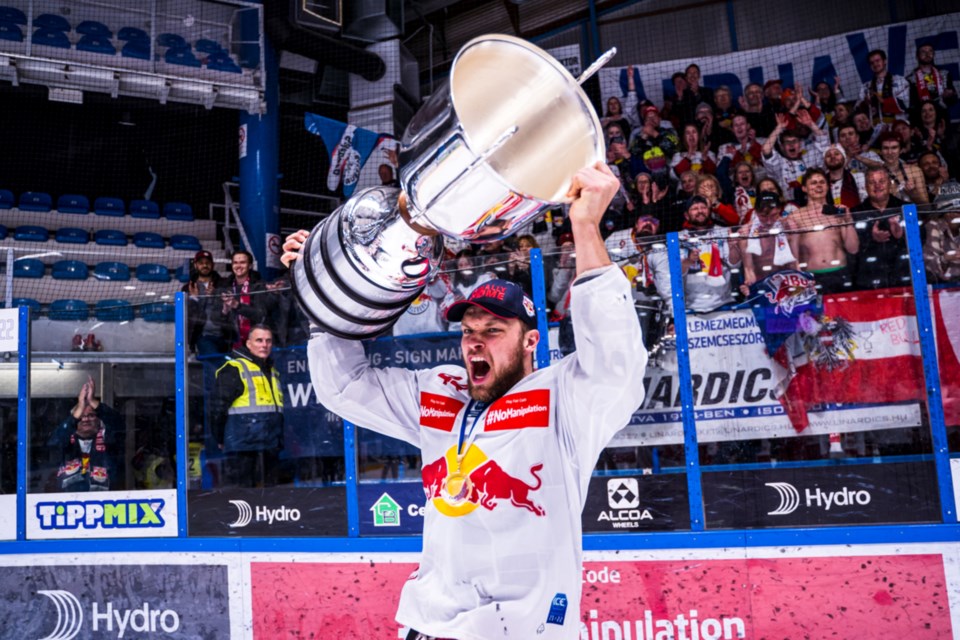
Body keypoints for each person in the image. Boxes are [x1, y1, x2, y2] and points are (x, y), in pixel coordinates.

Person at [283, 162, 647, 640]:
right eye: (469, 331)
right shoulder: (441, 391)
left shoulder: (565, 400)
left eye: (494, 331)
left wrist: (584, 226)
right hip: (426, 625)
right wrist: (323, 292)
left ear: (531, 342)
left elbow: (616, 362)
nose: (475, 342)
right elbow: (344, 385)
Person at [211, 325, 284, 488]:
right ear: (248, 344)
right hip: (243, 446)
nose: (264, 345)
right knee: (243, 497)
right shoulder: (234, 369)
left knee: (272, 500)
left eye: (268, 341)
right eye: (259, 340)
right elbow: (217, 407)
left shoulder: (272, 371)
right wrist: (220, 437)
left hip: (269, 445)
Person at [786, 168, 859, 293]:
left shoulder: (838, 212)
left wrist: (848, 221)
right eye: (813, 183)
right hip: (810, 278)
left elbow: (853, 249)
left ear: (828, 186)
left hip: (840, 274)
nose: (818, 185)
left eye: (822, 182)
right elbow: (792, 255)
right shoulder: (795, 217)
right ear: (804, 188)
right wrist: (798, 277)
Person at [50, 376, 123, 492]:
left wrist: (92, 402)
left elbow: (118, 423)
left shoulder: (108, 439)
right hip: (68, 504)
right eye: (81, 416)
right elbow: (54, 442)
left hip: (105, 502)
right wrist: (79, 407)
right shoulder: (66, 441)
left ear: (99, 420)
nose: (86, 419)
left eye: (91, 415)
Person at [851, 167, 909, 290]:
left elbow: (922, 238)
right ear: (866, 187)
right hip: (868, 280)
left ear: (889, 184)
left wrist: (902, 235)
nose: (877, 186)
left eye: (881, 181)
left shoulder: (906, 208)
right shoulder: (855, 213)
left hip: (904, 277)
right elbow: (851, 248)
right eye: (872, 182)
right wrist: (870, 237)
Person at [738, 191, 800, 295]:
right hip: (761, 284)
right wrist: (750, 288)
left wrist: (800, 283)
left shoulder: (789, 226)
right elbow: (749, 269)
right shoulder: (746, 232)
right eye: (763, 216)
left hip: (786, 282)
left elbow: (795, 262)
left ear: (780, 209)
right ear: (756, 212)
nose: (769, 221)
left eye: (773, 215)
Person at [183, 250, 227, 357]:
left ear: (213, 265)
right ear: (195, 265)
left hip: (225, 334)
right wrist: (194, 298)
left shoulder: (223, 284)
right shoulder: (188, 287)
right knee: (212, 364)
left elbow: (228, 308)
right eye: (201, 263)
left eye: (207, 262)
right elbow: (186, 315)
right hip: (202, 335)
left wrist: (215, 294)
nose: (205, 265)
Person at [220, 250, 267, 349]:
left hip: (257, 341)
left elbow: (260, 315)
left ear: (250, 266)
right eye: (235, 263)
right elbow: (217, 320)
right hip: (232, 341)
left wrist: (237, 305)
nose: (238, 266)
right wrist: (224, 311)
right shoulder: (225, 287)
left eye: (242, 262)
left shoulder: (259, 286)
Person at [857, 49, 910, 126]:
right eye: (872, 63)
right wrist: (864, 103)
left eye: (877, 61)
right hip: (875, 129)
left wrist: (884, 101)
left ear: (884, 61)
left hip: (898, 127)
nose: (875, 64)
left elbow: (906, 103)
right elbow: (857, 109)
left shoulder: (900, 80)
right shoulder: (865, 87)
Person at [878, 132, 929, 204]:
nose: (890, 152)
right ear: (881, 151)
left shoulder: (915, 171)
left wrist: (913, 193)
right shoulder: (875, 175)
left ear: (901, 150)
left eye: (894, 148)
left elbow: (926, 206)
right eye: (886, 148)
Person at [908, 42, 957, 112]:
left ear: (933, 55)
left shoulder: (944, 74)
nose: (927, 54)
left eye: (930, 51)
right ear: (917, 56)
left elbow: (953, 100)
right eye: (923, 52)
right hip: (922, 116)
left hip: (942, 115)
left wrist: (949, 96)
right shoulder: (910, 79)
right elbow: (910, 105)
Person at [823, 143, 867, 210]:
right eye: (828, 155)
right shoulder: (821, 182)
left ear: (844, 157)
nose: (833, 157)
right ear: (824, 161)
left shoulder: (858, 177)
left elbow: (865, 202)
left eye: (836, 154)